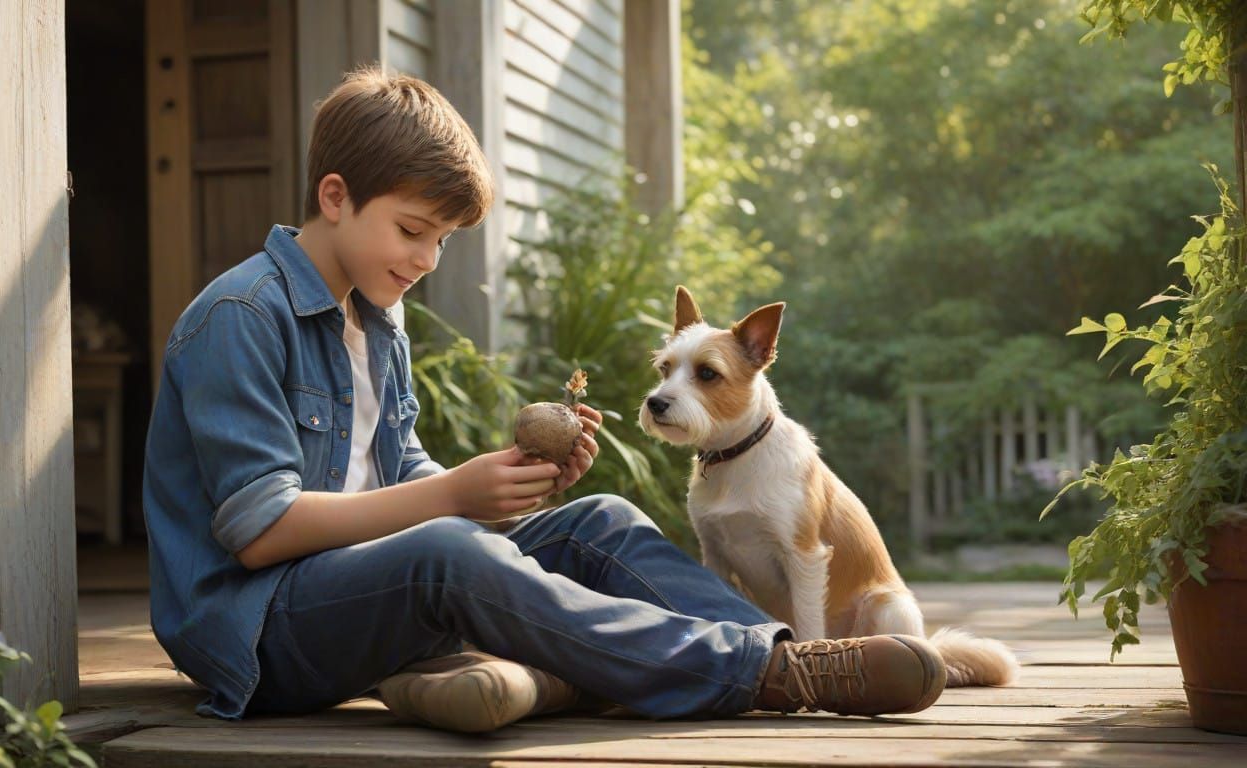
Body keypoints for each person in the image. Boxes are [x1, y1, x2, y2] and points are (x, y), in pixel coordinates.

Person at [142, 67, 946, 733]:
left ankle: (773, 650)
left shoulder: (378, 325)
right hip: (262, 632)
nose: (425, 259)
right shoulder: (241, 317)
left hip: (365, 592)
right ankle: (767, 673)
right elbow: (260, 530)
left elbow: (401, 476)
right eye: (413, 229)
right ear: (334, 196)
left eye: (442, 242)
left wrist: (509, 482)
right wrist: (455, 499)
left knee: (603, 522)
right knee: (450, 555)